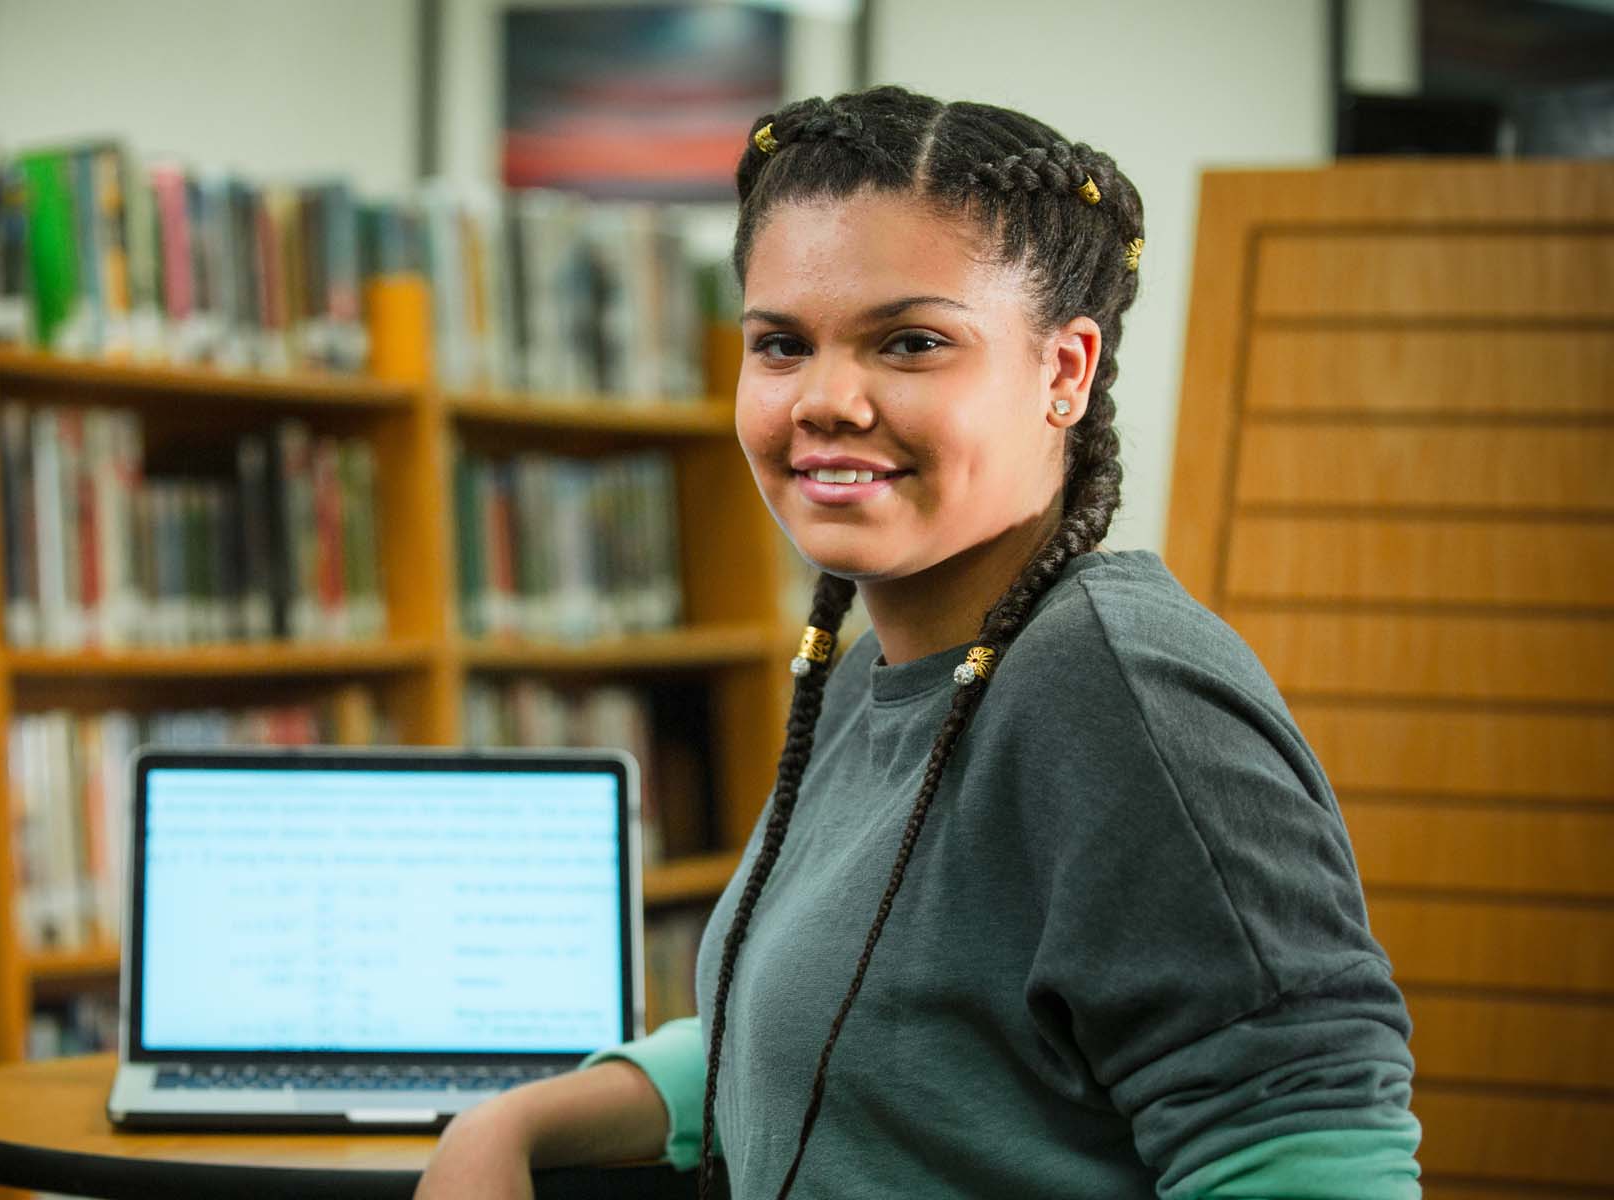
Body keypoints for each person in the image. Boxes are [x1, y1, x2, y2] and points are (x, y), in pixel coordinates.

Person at [415, 86, 1421, 1199]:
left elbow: (1315, 1162)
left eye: (910, 341)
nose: (827, 400)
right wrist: (501, 1129)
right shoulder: (875, 674)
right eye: (781, 345)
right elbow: (820, 1030)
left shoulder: (1121, 693)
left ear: (1063, 373)